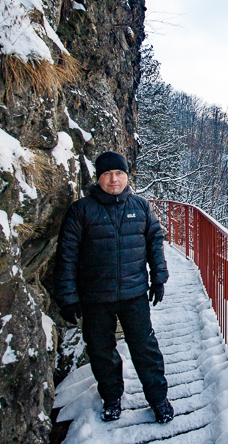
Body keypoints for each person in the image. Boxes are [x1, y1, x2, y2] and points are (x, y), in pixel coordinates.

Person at [53, 151, 174, 424]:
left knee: (146, 349)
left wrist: (159, 278)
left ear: (127, 176)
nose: (114, 179)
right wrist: (67, 297)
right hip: (95, 297)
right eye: (107, 174)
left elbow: (155, 244)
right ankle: (111, 399)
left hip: (134, 294)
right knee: (101, 351)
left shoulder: (141, 207)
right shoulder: (81, 211)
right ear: (98, 178)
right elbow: (67, 256)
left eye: (119, 173)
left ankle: (158, 399)